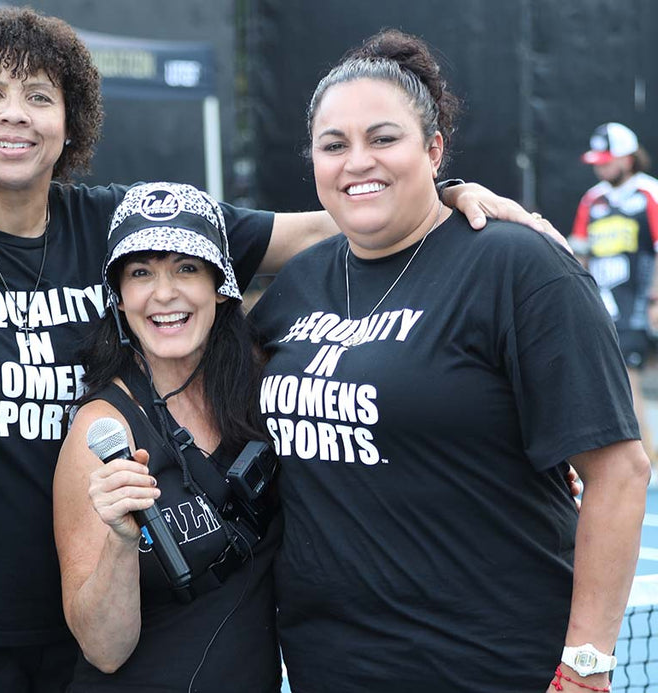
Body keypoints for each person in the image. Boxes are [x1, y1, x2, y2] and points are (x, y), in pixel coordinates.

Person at [0, 9, 552, 692]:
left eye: (40, 97)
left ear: (71, 121)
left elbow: (310, 226)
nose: (16, 116)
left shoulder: (124, 227)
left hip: (99, 627)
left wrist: (442, 197)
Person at [248, 30, 650, 692]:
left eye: (384, 138)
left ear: (433, 149)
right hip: (330, 664)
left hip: (491, 664)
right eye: (334, 145)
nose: (357, 161)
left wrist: (586, 663)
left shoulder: (518, 266)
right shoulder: (299, 283)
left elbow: (620, 473)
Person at [54, 182, 281, 690]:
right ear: (118, 297)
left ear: (220, 286)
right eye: (141, 273)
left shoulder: (262, 387)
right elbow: (104, 650)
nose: (164, 293)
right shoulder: (102, 431)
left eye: (186, 267)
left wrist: (445, 199)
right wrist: (120, 541)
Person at [570, 122, 658, 460]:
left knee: (630, 377)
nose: (600, 167)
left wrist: (653, 299)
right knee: (610, 377)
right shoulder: (592, 200)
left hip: (638, 303)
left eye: (607, 160)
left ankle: (644, 457)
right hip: (603, 305)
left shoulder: (648, 194)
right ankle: (635, 455)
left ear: (628, 159)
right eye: (597, 160)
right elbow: (578, 254)